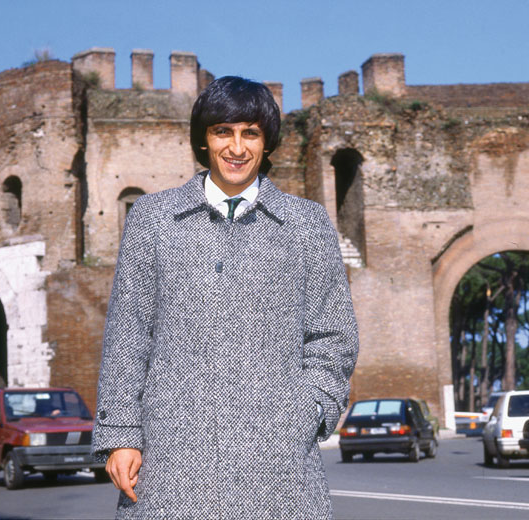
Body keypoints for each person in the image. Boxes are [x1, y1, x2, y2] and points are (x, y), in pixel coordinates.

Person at [92, 76, 359, 519]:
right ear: (204, 140)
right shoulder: (152, 219)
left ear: (267, 142)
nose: (237, 148)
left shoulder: (307, 225)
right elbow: (128, 335)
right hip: (170, 458)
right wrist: (120, 434)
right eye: (223, 132)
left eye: (250, 133)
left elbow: (334, 336)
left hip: (278, 463)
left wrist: (307, 411)